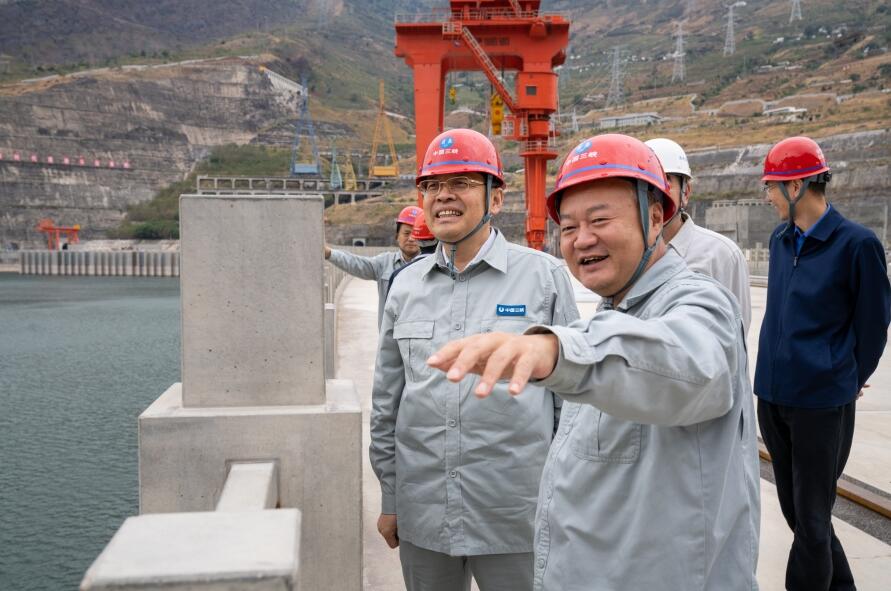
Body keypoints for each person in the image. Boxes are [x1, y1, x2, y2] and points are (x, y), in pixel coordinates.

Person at [426, 133, 760, 590]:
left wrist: (555, 350)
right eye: (568, 228)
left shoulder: (700, 303)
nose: (582, 239)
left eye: (600, 220)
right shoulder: (614, 311)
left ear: (655, 216)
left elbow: (688, 361)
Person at [370, 128, 579, 591]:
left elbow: (571, 405)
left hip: (516, 516)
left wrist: (568, 500)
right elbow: (387, 403)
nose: (443, 195)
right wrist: (391, 497)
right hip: (425, 513)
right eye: (431, 185)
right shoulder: (405, 287)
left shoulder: (543, 277)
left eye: (461, 183)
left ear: (496, 198)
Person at [755, 136, 890, 591]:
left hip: (821, 404)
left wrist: (846, 376)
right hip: (772, 396)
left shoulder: (857, 244)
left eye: (771, 186)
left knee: (812, 521)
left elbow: (873, 326)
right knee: (799, 516)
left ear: (796, 186)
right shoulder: (779, 240)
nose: (768, 196)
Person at [645, 137, 752, 333]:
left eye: (666, 181)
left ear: (686, 192)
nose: (656, 193)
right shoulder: (628, 255)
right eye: (647, 184)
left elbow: (737, 332)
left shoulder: (721, 255)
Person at [325, 205, 421, 327]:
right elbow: (356, 263)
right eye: (406, 233)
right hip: (390, 336)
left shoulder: (433, 266)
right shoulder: (385, 263)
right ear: (397, 236)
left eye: (416, 233)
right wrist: (329, 253)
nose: (411, 238)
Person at [386, 210, 438, 296]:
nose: (410, 239)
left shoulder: (397, 275)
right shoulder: (451, 274)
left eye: (412, 233)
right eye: (406, 233)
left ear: (417, 237)